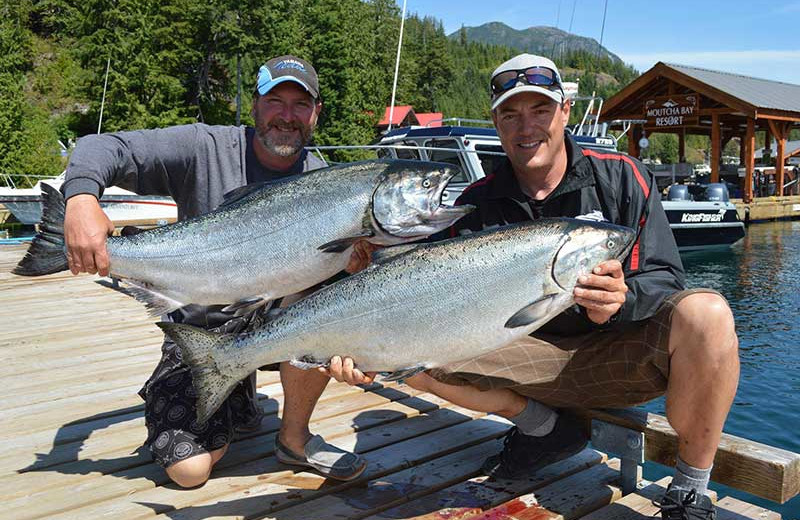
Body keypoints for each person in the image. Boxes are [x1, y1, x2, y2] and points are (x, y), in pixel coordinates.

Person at [329, 54, 738, 520]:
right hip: (523, 356)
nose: (527, 127)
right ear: (496, 121)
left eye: (540, 110)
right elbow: (420, 293)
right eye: (511, 113)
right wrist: (360, 343)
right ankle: (543, 428)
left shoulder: (622, 176)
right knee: (410, 359)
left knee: (708, 313)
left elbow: (666, 276)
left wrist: (621, 302)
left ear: (565, 111)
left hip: (617, 355)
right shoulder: (473, 204)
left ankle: (689, 491)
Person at [62, 55, 367, 487]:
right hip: (202, 326)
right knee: (189, 472)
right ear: (254, 106)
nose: (287, 115)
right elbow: (101, 146)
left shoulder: (329, 184)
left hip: (275, 325)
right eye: (275, 100)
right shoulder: (203, 146)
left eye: (301, 104)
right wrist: (79, 200)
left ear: (316, 113)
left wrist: (353, 262)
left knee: (325, 304)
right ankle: (231, 386)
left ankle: (294, 438)